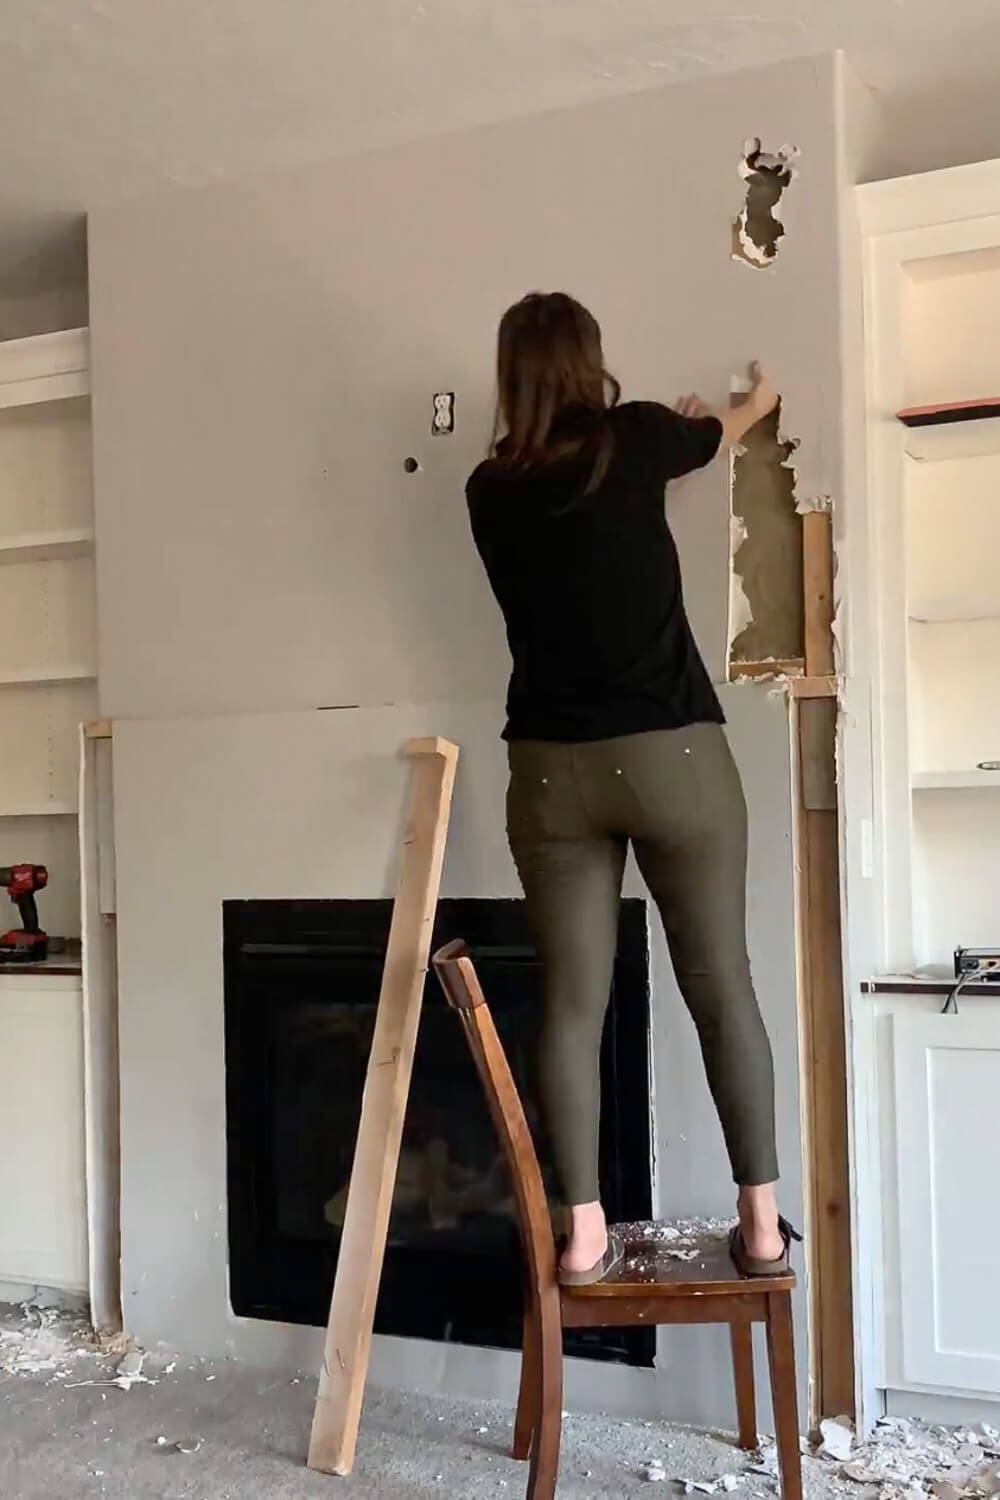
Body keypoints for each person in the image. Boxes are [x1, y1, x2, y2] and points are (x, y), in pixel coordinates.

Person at [465, 290, 796, 1285]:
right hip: (672, 757)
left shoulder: (486, 487)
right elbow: (711, 434)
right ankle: (764, 1230)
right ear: (588, 363)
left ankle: (582, 1237)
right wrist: (748, 404)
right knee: (719, 983)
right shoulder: (634, 437)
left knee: (571, 1006)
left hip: (549, 771)